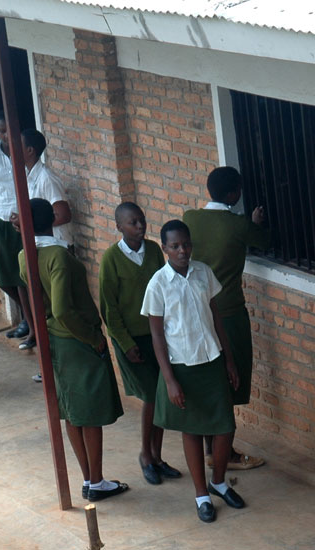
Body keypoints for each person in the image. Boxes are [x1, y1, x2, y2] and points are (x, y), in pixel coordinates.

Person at [18, 198, 127, 502]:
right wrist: (92, 339)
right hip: (76, 340)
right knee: (89, 414)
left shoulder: (24, 255)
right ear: (52, 218)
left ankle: (89, 479)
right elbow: (63, 308)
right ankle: (96, 481)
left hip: (54, 340)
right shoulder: (58, 256)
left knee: (72, 413)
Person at [141, 220, 243, 523]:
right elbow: (157, 336)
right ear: (165, 249)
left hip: (211, 359)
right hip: (182, 365)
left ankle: (219, 482)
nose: (182, 250)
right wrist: (170, 380)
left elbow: (216, 316)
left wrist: (228, 360)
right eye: (175, 246)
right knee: (193, 430)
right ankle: (201, 494)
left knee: (225, 426)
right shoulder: (158, 284)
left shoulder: (203, 272)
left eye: (186, 244)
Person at [183, 166, 269, 471]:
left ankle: (212, 449)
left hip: (196, 311)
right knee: (231, 380)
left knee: (210, 380)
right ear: (234, 194)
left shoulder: (190, 218)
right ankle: (226, 453)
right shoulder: (237, 225)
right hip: (229, 312)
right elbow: (264, 240)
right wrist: (254, 222)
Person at [99, 202, 181, 485]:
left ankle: (157, 457)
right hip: (132, 341)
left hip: (157, 336)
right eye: (132, 223)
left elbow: (166, 289)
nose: (140, 227)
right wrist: (124, 342)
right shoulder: (111, 258)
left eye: (142, 221)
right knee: (151, 395)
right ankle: (146, 455)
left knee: (161, 396)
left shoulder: (155, 251)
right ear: (119, 226)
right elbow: (109, 306)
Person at [0, 112, 36, 351]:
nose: (5, 136)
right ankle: (26, 315)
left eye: (8, 131)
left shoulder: (23, 153)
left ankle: (32, 327)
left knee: (23, 278)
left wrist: (25, 213)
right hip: (1, 220)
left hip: (24, 221)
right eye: (1, 131)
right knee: (1, 275)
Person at [22, 129, 73, 246]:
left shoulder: (47, 179)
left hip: (57, 246)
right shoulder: (27, 175)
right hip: (42, 244)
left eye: (18, 146)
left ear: (30, 150)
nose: (13, 150)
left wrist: (34, 226)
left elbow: (64, 215)